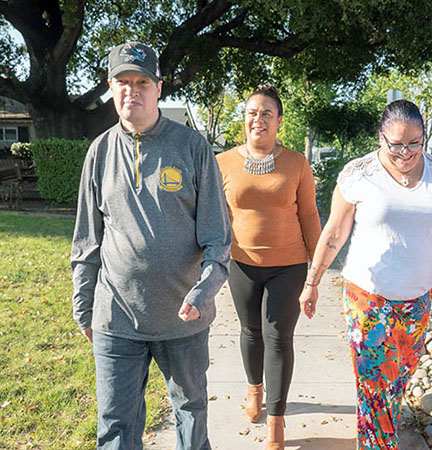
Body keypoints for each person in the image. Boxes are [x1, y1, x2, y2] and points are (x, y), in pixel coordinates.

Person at [299, 99, 432, 450]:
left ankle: (376, 437)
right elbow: (335, 233)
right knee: (373, 386)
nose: (406, 152)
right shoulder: (358, 174)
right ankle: (377, 445)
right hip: (367, 296)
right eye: (396, 143)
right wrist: (312, 283)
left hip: (417, 299)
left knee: (396, 381)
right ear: (380, 137)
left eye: (415, 142)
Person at [71, 42, 231, 450]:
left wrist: (204, 290)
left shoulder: (192, 148)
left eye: (141, 81)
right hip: (116, 317)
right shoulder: (99, 152)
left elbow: (218, 237)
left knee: (191, 414)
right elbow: (87, 239)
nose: (132, 91)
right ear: (110, 87)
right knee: (115, 425)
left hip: (184, 317)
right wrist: (84, 305)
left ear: (159, 87)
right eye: (122, 82)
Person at [216, 84, 321, 450]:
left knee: (278, 338)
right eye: (252, 113)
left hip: (288, 265)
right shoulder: (223, 162)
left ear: (278, 121)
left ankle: (275, 421)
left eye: (266, 113)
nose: (257, 119)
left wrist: (315, 272)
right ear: (244, 120)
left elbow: (308, 214)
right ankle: (254, 391)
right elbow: (216, 216)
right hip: (241, 263)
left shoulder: (296, 163)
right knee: (250, 333)